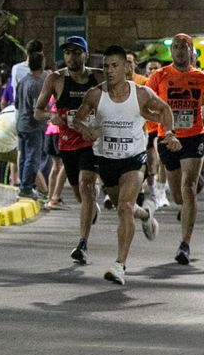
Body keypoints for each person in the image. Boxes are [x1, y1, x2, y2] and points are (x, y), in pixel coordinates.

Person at [71, 46, 177, 285]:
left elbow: (165, 109)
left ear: (127, 67)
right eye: (106, 66)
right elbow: (78, 118)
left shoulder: (140, 93)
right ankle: (147, 214)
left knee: (124, 208)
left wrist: (169, 133)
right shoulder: (95, 95)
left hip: (133, 160)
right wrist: (85, 129)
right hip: (107, 161)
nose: (109, 71)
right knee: (124, 207)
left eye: (115, 66)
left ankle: (120, 265)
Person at [145, 34, 204, 264]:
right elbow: (145, 104)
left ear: (192, 52)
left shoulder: (201, 77)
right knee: (178, 194)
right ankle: (187, 204)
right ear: (172, 52)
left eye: (185, 47)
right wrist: (160, 121)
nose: (180, 51)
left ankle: (184, 244)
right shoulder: (159, 76)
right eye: (176, 47)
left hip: (193, 136)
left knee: (188, 187)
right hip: (167, 138)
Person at [35, 36, 101, 263]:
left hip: (92, 142)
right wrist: (51, 116)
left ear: (86, 54)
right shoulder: (56, 78)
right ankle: (92, 207)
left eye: (76, 52)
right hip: (68, 144)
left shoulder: (98, 77)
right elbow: (38, 111)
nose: (72, 57)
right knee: (78, 192)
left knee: (87, 184)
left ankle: (82, 244)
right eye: (68, 53)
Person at [14, 50, 48, 199]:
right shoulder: (37, 84)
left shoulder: (23, 81)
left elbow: (16, 103)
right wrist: (50, 115)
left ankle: (23, 185)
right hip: (33, 126)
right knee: (33, 158)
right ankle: (27, 188)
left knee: (23, 156)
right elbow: (37, 110)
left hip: (21, 123)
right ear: (41, 64)